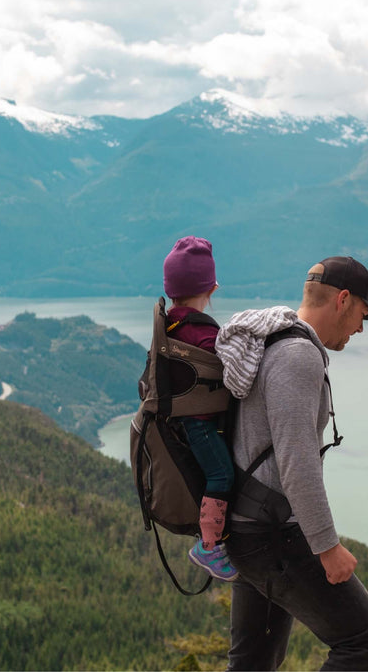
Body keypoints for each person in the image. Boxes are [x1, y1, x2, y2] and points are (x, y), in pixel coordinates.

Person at [214, 255, 368, 671]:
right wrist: (327, 547)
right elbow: (297, 463)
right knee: (365, 640)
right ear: (343, 300)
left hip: (246, 527)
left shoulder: (270, 341)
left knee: (252, 663)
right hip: (273, 535)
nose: (361, 328)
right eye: (363, 315)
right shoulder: (298, 355)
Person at [163, 236, 238, 582]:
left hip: (183, 419)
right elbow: (230, 372)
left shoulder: (172, 324)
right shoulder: (202, 334)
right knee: (221, 475)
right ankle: (209, 546)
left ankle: (212, 538)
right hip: (201, 423)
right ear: (211, 288)